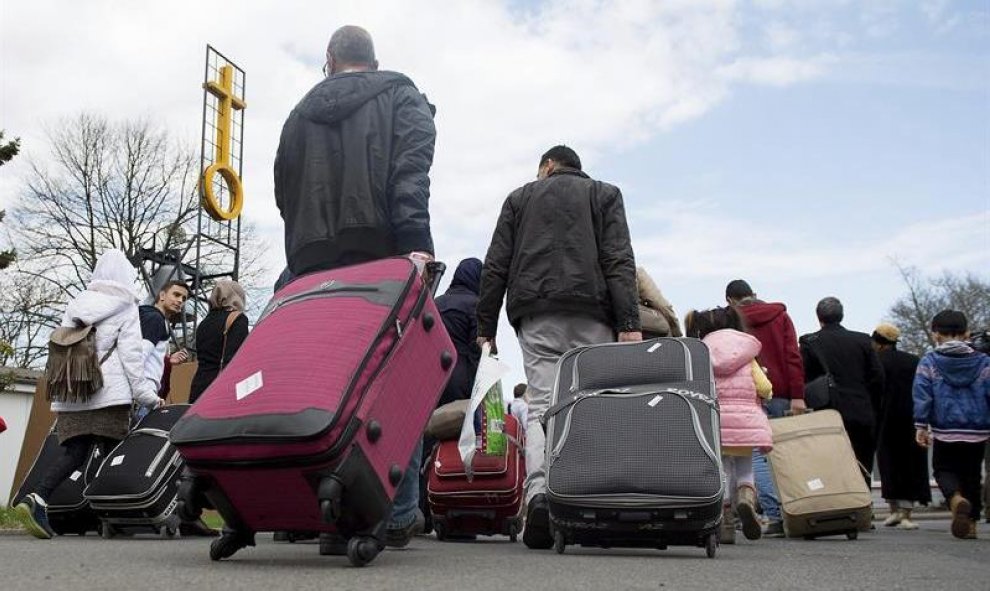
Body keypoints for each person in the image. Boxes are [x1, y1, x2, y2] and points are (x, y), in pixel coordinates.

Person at [273, 24, 437, 548]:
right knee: (393, 377)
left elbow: (283, 188)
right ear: (372, 58)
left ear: (329, 59)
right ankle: (398, 507)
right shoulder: (400, 95)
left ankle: (327, 508)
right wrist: (416, 241)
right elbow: (411, 172)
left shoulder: (298, 114)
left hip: (311, 263)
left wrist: (303, 246)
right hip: (382, 252)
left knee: (324, 385)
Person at [476, 144, 641, 550]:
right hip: (593, 313)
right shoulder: (605, 194)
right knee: (595, 403)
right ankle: (592, 504)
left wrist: (486, 326)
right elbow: (618, 258)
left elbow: (496, 262)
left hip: (537, 313)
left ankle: (539, 496)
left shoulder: (519, 199)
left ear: (548, 166)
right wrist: (629, 323)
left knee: (540, 406)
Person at [14, 249, 161, 539]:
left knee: (75, 453)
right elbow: (131, 357)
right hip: (109, 394)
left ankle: (39, 497)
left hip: (75, 391)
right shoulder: (126, 306)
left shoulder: (76, 303)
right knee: (113, 453)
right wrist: (148, 395)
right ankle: (113, 515)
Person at [685, 307, 773, 544]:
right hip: (745, 421)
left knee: (722, 470)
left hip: (715, 422)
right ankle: (745, 498)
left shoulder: (702, 352)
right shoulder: (747, 354)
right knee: (745, 468)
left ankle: (725, 523)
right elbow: (764, 387)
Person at [725, 279, 805, 537]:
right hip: (781, 392)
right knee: (782, 454)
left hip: (748, 393)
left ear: (730, 300)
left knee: (750, 455)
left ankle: (764, 513)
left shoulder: (733, 321)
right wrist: (798, 396)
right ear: (754, 294)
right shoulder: (780, 316)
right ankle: (792, 509)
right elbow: (793, 355)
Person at [914, 310, 990, 540]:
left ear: (936, 334)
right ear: (966, 333)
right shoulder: (984, 362)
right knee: (972, 476)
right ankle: (973, 524)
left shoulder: (929, 362)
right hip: (978, 430)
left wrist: (920, 425)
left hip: (945, 429)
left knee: (943, 470)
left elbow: (922, 394)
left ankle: (956, 500)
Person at [800, 297, 884, 487]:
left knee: (831, 461)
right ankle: (863, 502)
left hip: (826, 411)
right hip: (862, 409)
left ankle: (840, 503)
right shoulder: (863, 340)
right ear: (842, 315)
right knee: (862, 460)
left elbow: (804, 378)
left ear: (818, 317)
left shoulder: (810, 342)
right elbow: (878, 377)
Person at [871, 323, 930, 530]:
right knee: (910, 465)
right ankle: (907, 512)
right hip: (910, 418)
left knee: (888, 465)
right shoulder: (914, 361)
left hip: (884, 419)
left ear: (878, 342)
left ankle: (893, 510)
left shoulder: (875, 363)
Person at [188, 280, 249, 403]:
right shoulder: (237, 319)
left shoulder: (203, 323)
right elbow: (234, 360)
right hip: (220, 390)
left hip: (198, 387)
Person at [636, 266, 681, 338]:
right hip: (635, 328)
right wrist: (677, 334)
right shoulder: (636, 272)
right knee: (664, 322)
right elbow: (661, 305)